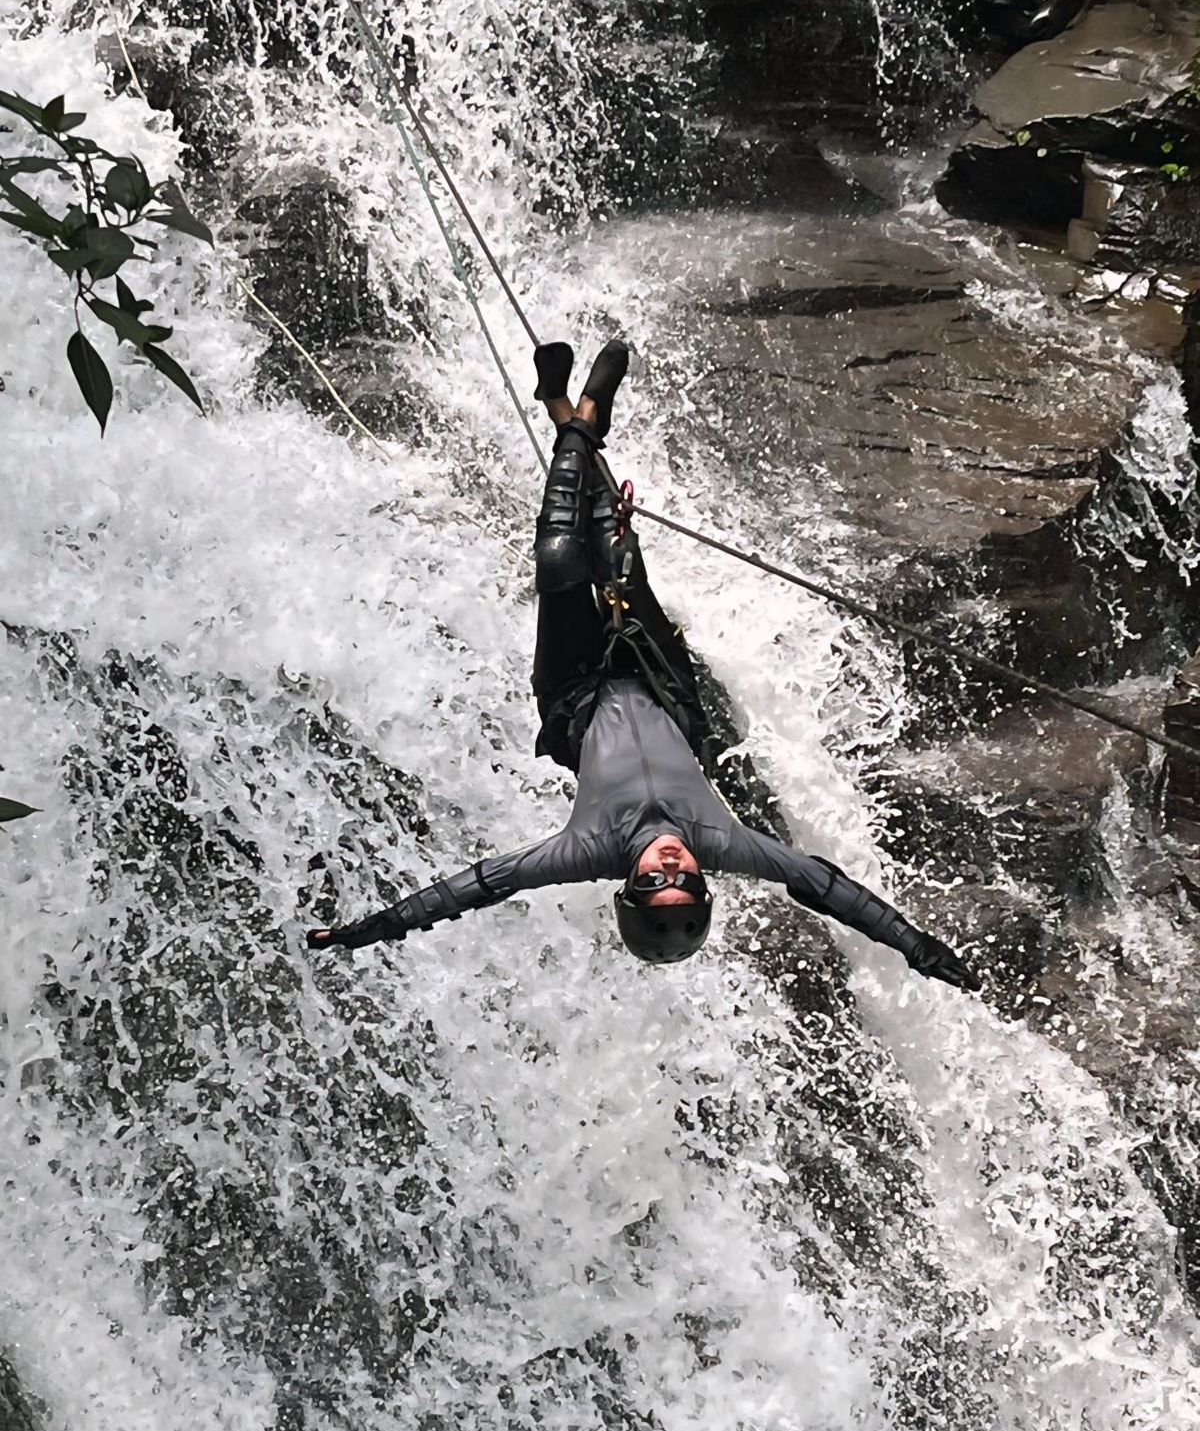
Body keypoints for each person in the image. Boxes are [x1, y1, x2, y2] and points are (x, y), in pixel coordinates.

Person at [307, 339, 979, 989]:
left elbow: (475, 888)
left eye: (654, 885)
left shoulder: (586, 850)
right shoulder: (722, 842)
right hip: (659, 676)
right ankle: (566, 412)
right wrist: (916, 947)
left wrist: (370, 930)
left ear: (630, 887)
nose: (670, 870)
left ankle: (580, 417)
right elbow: (825, 886)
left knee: (560, 559)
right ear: (701, 883)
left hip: (574, 686)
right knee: (611, 542)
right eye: (684, 884)